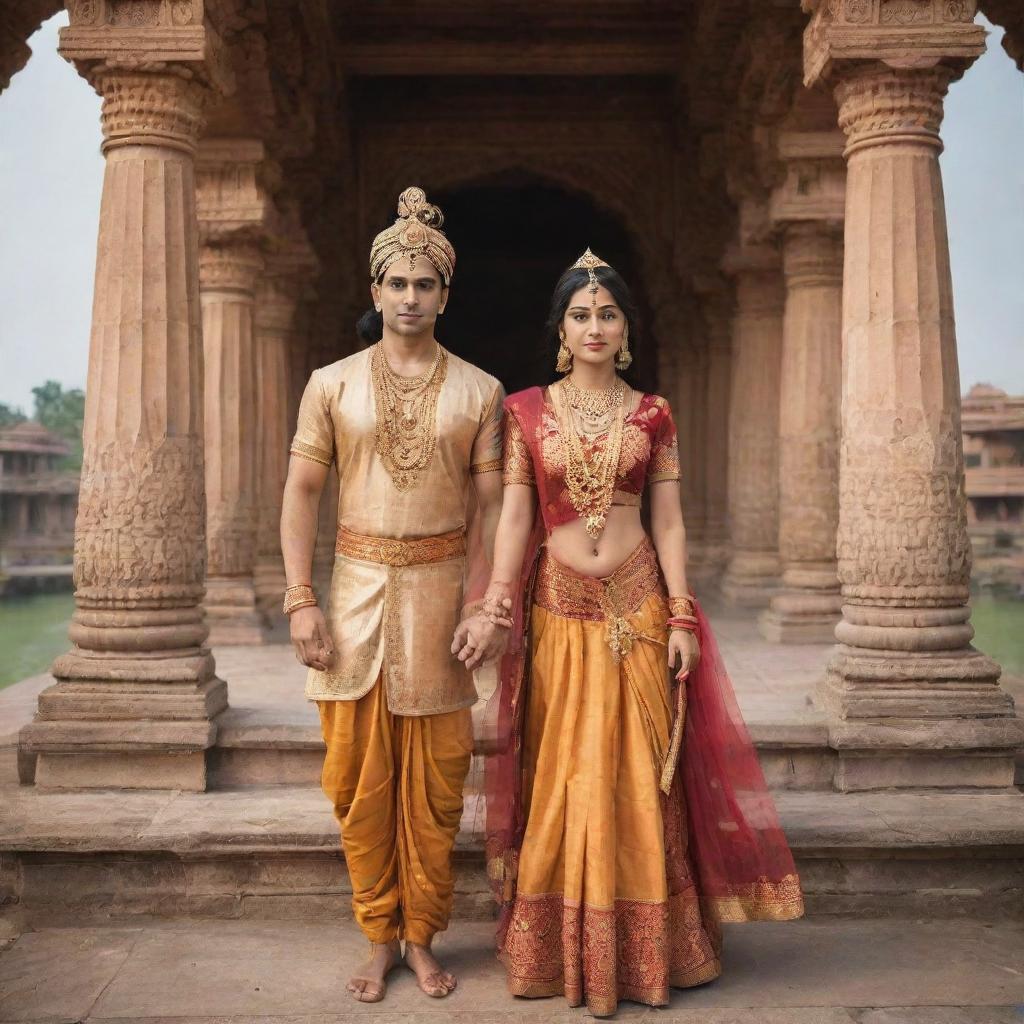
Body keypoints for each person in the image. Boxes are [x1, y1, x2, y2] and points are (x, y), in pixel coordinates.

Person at [456, 249, 804, 1017]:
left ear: (625, 329)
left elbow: (668, 519)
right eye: (580, 314)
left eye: (607, 313)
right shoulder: (525, 412)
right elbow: (515, 515)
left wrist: (683, 612)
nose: (593, 326)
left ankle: (654, 954)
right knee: (565, 775)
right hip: (557, 611)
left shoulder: (653, 413)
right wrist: (497, 603)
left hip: (641, 606)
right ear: (561, 328)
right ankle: (560, 950)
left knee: (644, 776)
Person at [280, 186, 508, 1003]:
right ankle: (378, 934)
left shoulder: (480, 392)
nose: (410, 298)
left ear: (446, 295)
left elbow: (493, 510)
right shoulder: (330, 383)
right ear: (374, 292)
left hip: (443, 606)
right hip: (352, 603)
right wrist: (301, 598)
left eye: (425, 285)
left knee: (440, 786)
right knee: (356, 783)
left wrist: (486, 605)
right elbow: (303, 492)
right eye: (397, 284)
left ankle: (423, 937)